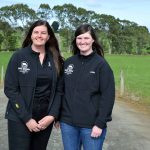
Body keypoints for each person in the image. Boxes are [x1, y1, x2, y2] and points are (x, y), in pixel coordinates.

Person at [4, 20, 63, 150]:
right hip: (20, 118)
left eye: (43, 33)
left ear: (48, 37)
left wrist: (52, 115)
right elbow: (10, 89)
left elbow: (59, 91)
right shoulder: (18, 56)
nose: (39, 35)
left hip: (44, 120)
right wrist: (27, 119)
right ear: (31, 35)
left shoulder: (55, 59)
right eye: (36, 32)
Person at [59, 24, 115, 150]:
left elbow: (108, 96)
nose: (82, 41)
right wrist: (58, 116)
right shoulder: (69, 63)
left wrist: (100, 124)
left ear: (93, 40)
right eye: (79, 38)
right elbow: (61, 91)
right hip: (68, 124)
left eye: (86, 38)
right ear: (75, 40)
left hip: (91, 126)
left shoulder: (101, 65)